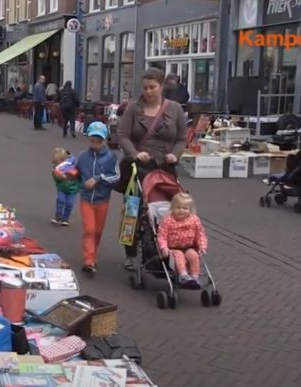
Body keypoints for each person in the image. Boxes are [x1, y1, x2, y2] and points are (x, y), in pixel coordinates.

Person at [117, 68, 187, 271]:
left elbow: (182, 138)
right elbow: (122, 134)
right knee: (132, 211)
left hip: (165, 168)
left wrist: (176, 153)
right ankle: (130, 253)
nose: (148, 91)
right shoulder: (132, 108)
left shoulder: (174, 109)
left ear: (161, 86)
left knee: (166, 210)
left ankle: (164, 248)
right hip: (137, 169)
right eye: (145, 88)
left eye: (152, 87)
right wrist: (134, 153)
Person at [75, 122, 120, 276]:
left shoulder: (110, 157)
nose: (95, 144)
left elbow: (116, 177)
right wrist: (65, 173)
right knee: (90, 229)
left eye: (98, 141)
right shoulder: (82, 156)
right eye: (92, 140)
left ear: (104, 140)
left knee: (98, 231)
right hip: (86, 198)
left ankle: (92, 255)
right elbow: (75, 172)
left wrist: (98, 178)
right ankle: (88, 261)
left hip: (102, 199)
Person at [156, 192, 208, 290]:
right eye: (178, 208)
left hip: (189, 247)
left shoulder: (194, 220)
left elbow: (200, 234)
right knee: (179, 255)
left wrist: (202, 247)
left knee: (194, 255)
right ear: (172, 208)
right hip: (173, 248)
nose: (181, 211)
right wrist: (164, 248)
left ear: (190, 210)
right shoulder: (168, 220)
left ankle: (194, 277)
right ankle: (183, 276)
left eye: (185, 208)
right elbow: (161, 235)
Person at [51, 147, 80, 226]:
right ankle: (58, 216)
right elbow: (55, 179)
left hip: (72, 188)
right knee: (60, 200)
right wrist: (59, 177)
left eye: (58, 162)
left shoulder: (72, 163)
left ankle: (65, 218)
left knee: (69, 203)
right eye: (55, 163)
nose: (57, 164)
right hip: (62, 187)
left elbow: (79, 173)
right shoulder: (56, 168)